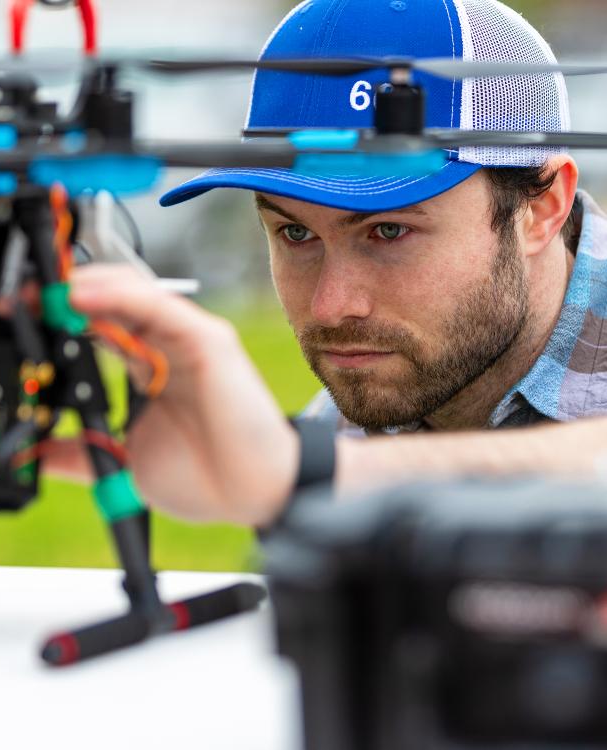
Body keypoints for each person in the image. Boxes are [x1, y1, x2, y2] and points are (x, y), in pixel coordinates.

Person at [51, 0, 607, 527]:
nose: (332, 305)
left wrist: (310, 475)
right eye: (295, 232)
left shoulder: (322, 455)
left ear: (541, 208)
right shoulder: (352, 411)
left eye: (389, 230)